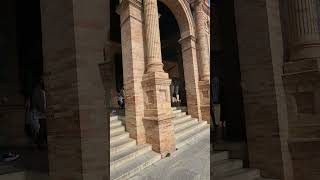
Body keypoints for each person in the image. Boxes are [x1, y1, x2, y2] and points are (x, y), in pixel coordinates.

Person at [31, 77, 47, 149]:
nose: (44, 81)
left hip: (43, 112)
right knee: (39, 129)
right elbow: (36, 101)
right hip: (39, 112)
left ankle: (40, 143)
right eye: (43, 79)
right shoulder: (37, 89)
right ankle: (39, 144)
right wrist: (42, 110)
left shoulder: (43, 89)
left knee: (42, 128)